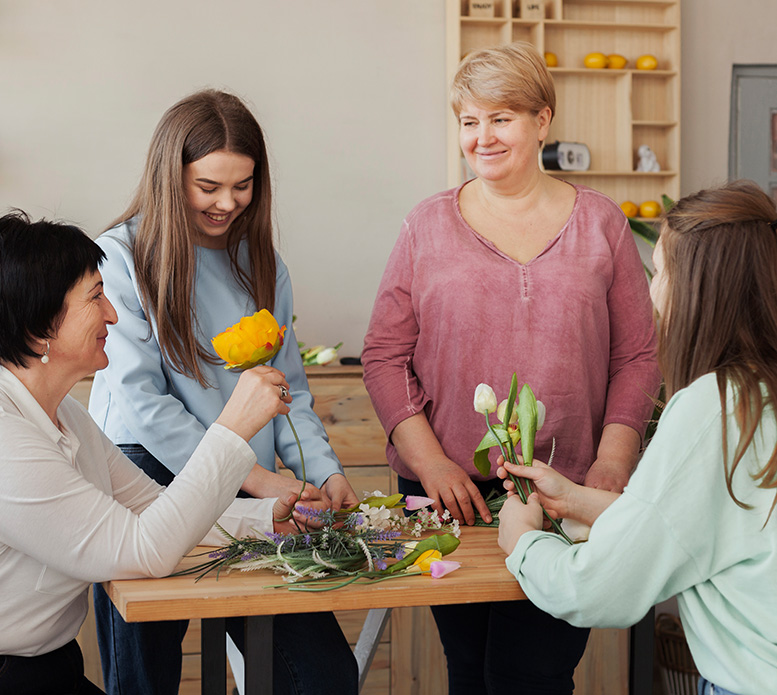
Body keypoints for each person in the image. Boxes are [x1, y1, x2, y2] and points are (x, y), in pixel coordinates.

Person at [362, 42, 660, 694]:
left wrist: (613, 456)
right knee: (469, 672)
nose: (481, 136)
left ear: (541, 120)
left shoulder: (601, 224)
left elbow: (635, 353)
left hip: (563, 495)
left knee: (531, 674)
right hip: (451, 501)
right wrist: (432, 462)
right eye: (468, 121)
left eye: (500, 117)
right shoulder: (426, 225)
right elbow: (384, 355)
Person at [88, 89, 358, 695]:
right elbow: (142, 405)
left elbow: (293, 391)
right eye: (208, 185)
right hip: (146, 480)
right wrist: (258, 480)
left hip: (252, 489)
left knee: (322, 675)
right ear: (170, 175)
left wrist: (323, 469)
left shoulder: (263, 262)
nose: (227, 203)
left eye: (243, 186)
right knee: (145, 679)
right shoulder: (121, 257)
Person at [0, 211, 313, 694]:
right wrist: (232, 427)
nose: (112, 314)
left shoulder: (68, 416)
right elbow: (144, 549)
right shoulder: (6, 439)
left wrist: (267, 518)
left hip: (52, 667)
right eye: (95, 298)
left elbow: (150, 505)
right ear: (41, 326)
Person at [498, 180, 777, 695]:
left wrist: (523, 541)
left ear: (697, 288)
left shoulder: (713, 407)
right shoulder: (761, 395)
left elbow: (600, 587)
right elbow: (712, 524)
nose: (653, 291)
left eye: (660, 271)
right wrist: (580, 500)